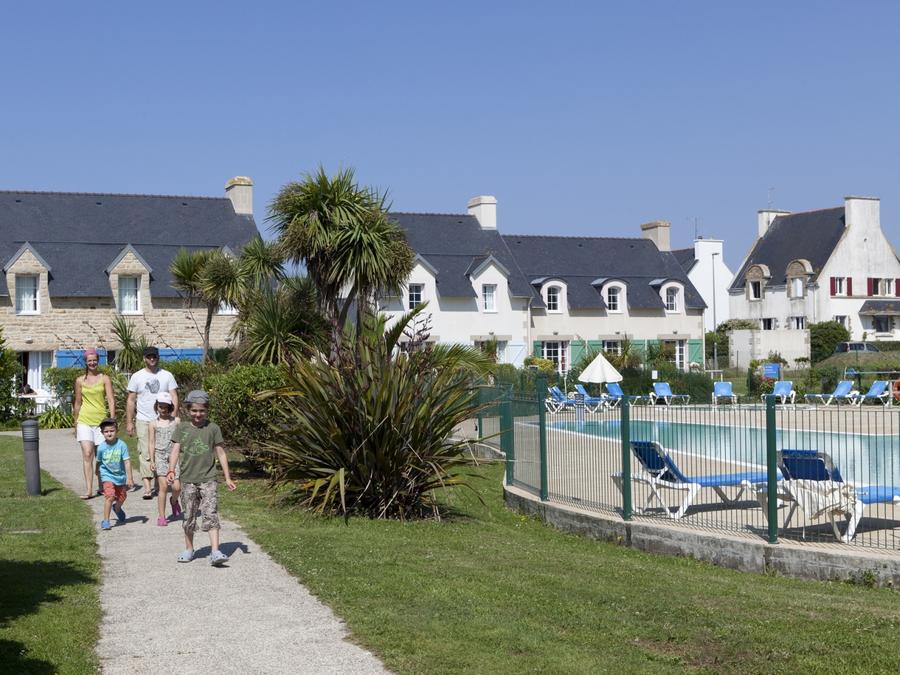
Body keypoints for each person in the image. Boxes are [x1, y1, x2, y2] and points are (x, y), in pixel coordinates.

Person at [166, 390, 236, 566]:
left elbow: (220, 453)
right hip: (188, 479)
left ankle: (215, 551)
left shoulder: (213, 428)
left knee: (210, 512)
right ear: (188, 410)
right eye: (194, 410)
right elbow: (175, 450)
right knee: (189, 515)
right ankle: (189, 549)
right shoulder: (182, 428)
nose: (198, 414)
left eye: (202, 411)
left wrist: (227, 477)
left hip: (209, 478)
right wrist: (171, 470)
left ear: (207, 410)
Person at [126, 346, 178, 499]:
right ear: (144, 358)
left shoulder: (167, 375)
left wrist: (173, 417)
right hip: (143, 418)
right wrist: (129, 422)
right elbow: (131, 400)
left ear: (158, 357)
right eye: (149, 356)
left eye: (154, 356)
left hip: (163, 420)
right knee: (145, 452)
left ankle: (158, 482)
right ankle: (147, 486)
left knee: (162, 450)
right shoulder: (137, 376)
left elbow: (174, 396)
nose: (152, 359)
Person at [72, 348, 115, 499]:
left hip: (101, 422)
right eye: (89, 361)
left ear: (98, 361)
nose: (92, 363)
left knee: (101, 456)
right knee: (87, 453)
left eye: (94, 360)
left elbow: (110, 400)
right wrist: (75, 422)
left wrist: (112, 420)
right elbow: (78, 402)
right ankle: (89, 490)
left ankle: (102, 485)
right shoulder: (80, 380)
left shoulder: (105, 379)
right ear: (85, 362)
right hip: (84, 420)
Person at [149, 392, 182, 527]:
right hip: (160, 456)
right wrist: (152, 460)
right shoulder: (153, 423)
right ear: (156, 406)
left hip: (173, 456)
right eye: (160, 406)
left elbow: (181, 439)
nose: (163, 409)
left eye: (166, 406)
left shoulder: (176, 421)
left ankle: (174, 501)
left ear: (170, 407)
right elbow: (151, 442)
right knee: (163, 486)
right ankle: (162, 516)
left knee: (176, 487)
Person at [96, 418, 134, 531]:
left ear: (117, 430)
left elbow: (127, 462)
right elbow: (98, 461)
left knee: (122, 497)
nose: (109, 433)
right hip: (107, 475)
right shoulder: (101, 447)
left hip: (120, 476)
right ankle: (106, 521)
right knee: (110, 496)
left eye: (112, 431)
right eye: (106, 431)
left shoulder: (122, 445)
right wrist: (96, 471)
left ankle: (117, 508)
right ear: (102, 433)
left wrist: (130, 478)